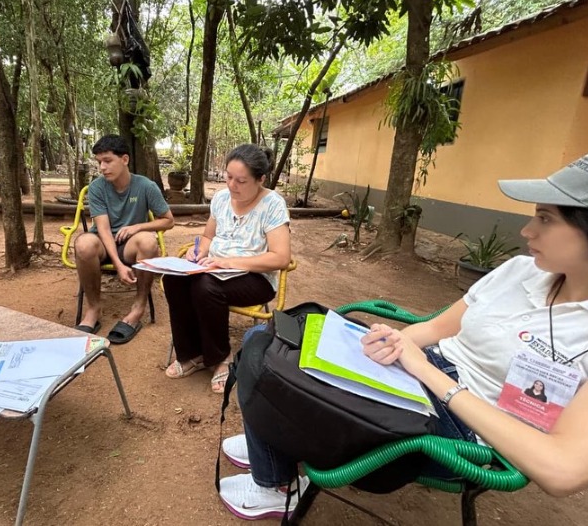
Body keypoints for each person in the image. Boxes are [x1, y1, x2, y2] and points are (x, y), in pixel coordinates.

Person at [219, 154, 588, 519]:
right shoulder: (521, 270)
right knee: (270, 340)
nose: (527, 231)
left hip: (461, 428)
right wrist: (392, 343)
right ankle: (272, 452)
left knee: (270, 369)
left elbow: (561, 471)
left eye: (545, 219)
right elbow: (437, 328)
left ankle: (273, 481)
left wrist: (425, 372)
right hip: (419, 372)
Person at [164, 144, 291, 393]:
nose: (232, 185)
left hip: (255, 277)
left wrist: (227, 262)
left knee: (205, 287)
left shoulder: (273, 204)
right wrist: (199, 250)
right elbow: (208, 238)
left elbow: (280, 257)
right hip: (213, 268)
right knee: (174, 278)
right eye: (229, 177)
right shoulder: (222, 198)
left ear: (261, 179)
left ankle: (220, 358)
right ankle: (192, 354)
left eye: (241, 181)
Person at [74, 134, 174, 344]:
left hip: (130, 245)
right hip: (103, 243)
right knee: (83, 243)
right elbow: (103, 229)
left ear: (125, 160)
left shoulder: (146, 186)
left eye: (108, 161)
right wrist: (118, 265)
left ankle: (138, 308)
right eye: (99, 162)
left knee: (148, 241)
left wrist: (139, 226)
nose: (102, 167)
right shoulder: (97, 188)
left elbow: (168, 221)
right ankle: (94, 308)